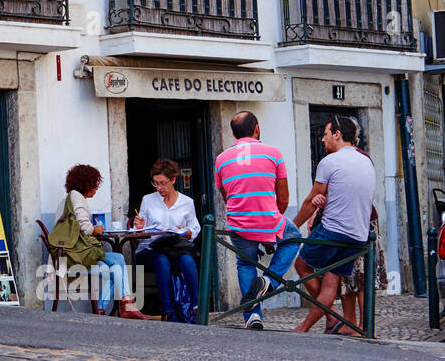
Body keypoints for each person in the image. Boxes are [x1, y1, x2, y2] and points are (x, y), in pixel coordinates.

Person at [214, 110, 302, 331]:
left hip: (238, 223)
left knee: (245, 263)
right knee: (293, 237)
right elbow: (283, 198)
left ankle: (252, 315)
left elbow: (226, 196)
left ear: (234, 134)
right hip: (268, 220)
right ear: (257, 129)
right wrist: (272, 223)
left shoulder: (221, 159)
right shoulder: (273, 154)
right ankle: (269, 282)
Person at [292, 115, 376, 335]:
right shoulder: (366, 160)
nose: (322, 139)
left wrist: (291, 228)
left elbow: (311, 202)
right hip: (358, 236)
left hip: (333, 231)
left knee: (302, 266)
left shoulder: (330, 162)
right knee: (330, 281)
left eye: (326, 134)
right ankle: (325, 322)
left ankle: (317, 322)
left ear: (338, 135)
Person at [47, 163, 155, 319]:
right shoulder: (77, 198)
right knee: (115, 266)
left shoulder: (66, 199)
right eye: (95, 184)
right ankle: (120, 306)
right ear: (86, 184)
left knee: (117, 262)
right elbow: (85, 228)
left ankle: (111, 308)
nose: (96, 188)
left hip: (67, 254)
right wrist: (96, 229)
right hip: (73, 257)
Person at [133, 158, 200, 323]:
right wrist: (139, 226)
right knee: (162, 261)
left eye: (163, 183)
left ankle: (198, 307)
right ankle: (169, 311)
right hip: (151, 249)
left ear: (173, 180)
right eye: (155, 183)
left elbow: (195, 228)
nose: (159, 188)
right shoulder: (148, 200)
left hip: (175, 249)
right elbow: (138, 231)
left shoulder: (187, 202)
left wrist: (187, 232)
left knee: (188, 261)